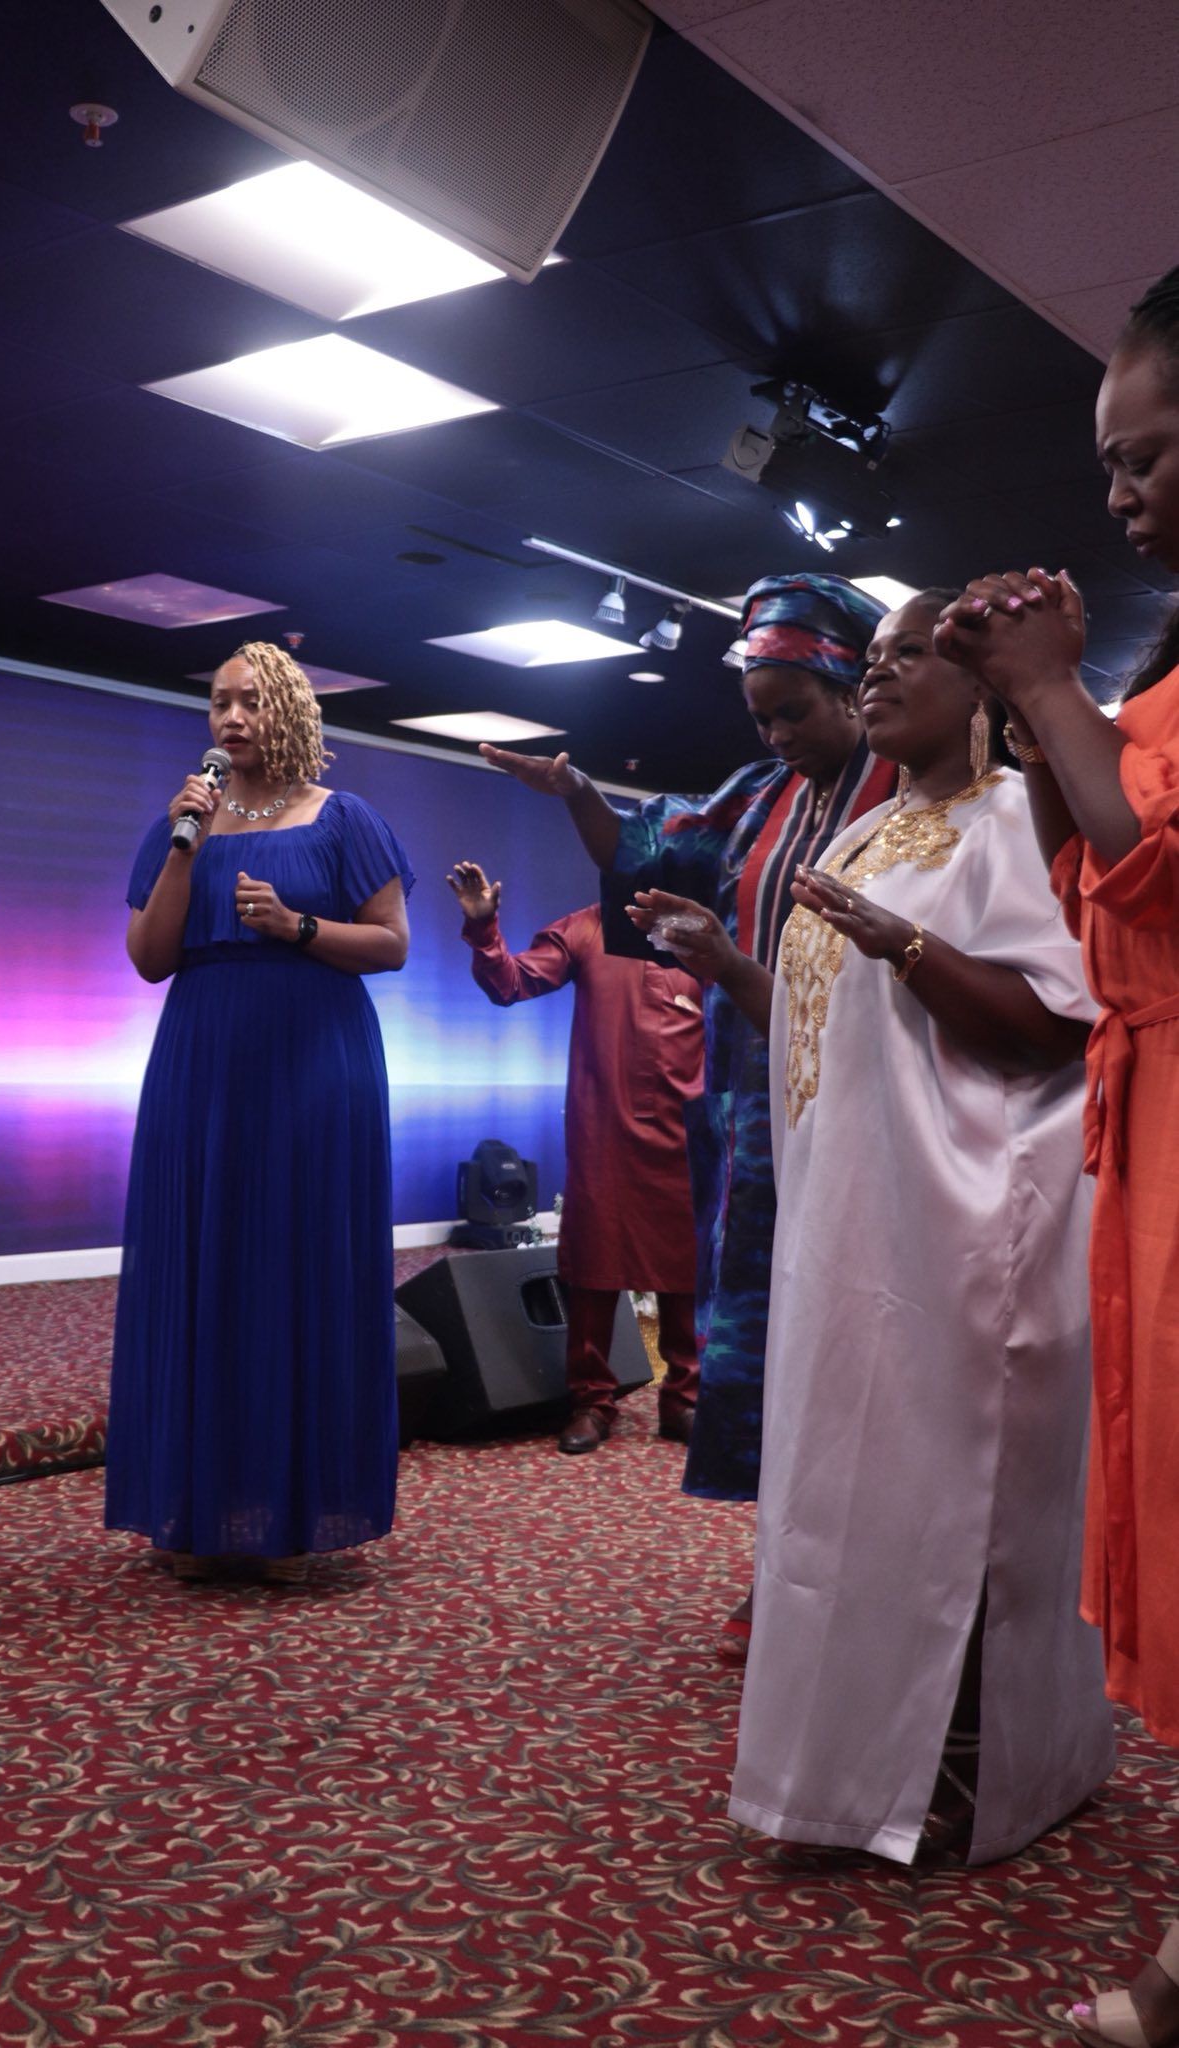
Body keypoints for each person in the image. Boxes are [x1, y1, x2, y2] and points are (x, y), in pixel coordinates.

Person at [722, 589, 1113, 1866]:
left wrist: (908, 947)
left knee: (949, 1497)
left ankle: (966, 1765)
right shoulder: (871, 828)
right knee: (847, 1493)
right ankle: (844, 1764)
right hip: (851, 1214)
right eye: (873, 657)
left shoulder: (1015, 817)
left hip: (964, 1217)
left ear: (982, 685)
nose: (878, 675)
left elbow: (1057, 1020)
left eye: (909, 658)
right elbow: (833, 1026)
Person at [480, 575, 898, 1631]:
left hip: (888, 1101)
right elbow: (656, 848)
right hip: (762, 1116)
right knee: (777, 1337)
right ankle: (790, 1575)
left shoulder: (914, 786)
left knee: (874, 1339)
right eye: (759, 716)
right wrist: (577, 791)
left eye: (792, 711)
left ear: (852, 685)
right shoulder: (762, 796)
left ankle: (887, 1588)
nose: (776, 733)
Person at [936, 267, 1179, 2040]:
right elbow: (1087, 868)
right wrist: (1027, 706)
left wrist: (1050, 680)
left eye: (1147, 454)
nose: (1119, 494)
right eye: (1109, 463)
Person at [106, 642, 414, 1582]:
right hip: (200, 1062)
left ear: (288, 712)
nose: (231, 720)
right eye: (218, 704)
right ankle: (194, 1510)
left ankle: (298, 1513)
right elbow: (150, 958)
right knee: (197, 1265)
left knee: (295, 1267)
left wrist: (297, 927)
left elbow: (393, 945)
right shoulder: (179, 822)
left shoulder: (343, 818)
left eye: (248, 703)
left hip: (316, 1067)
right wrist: (179, 845)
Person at [446, 859, 703, 1452]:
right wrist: (485, 928)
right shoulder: (587, 928)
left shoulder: (701, 935)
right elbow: (509, 983)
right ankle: (592, 1402)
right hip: (604, 1128)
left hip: (688, 1130)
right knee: (592, 1264)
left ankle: (685, 1401)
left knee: (688, 1269)